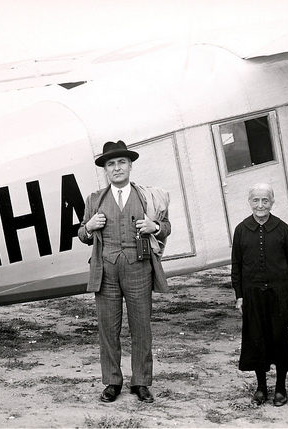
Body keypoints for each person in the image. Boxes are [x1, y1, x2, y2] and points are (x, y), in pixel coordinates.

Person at [78, 140, 170, 404]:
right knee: (108, 328)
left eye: (121, 163)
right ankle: (112, 382)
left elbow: (166, 225)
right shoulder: (94, 200)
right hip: (105, 270)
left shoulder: (147, 197)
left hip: (138, 268)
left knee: (141, 327)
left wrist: (156, 227)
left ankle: (140, 382)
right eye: (111, 164)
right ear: (105, 170)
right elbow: (82, 234)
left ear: (130, 165)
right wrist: (90, 226)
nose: (116, 168)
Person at [231, 183, 288, 407]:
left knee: (280, 340)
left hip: (279, 296)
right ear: (249, 202)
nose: (260, 205)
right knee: (257, 340)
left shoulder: (282, 229)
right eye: (256, 200)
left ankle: (281, 388)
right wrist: (239, 296)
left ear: (272, 202)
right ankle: (261, 387)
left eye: (265, 200)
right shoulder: (242, 229)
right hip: (253, 296)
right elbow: (237, 266)